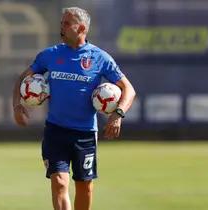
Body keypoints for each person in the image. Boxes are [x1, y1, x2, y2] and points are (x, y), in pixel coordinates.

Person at [13, 7, 136, 210]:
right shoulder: (49, 55)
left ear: (81, 28)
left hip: (85, 134)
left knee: (85, 187)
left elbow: (128, 89)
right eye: (61, 22)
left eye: (66, 23)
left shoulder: (100, 58)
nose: (61, 27)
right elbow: (21, 79)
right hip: (55, 131)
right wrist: (17, 106)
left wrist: (118, 114)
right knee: (59, 182)